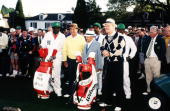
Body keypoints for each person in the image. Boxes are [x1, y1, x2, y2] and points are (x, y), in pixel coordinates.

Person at [100, 18, 126, 111]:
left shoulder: (121, 37)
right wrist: (103, 51)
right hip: (107, 63)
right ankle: (108, 101)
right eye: (105, 26)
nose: (106, 27)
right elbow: (102, 47)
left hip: (117, 63)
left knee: (118, 83)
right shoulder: (104, 38)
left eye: (108, 25)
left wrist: (109, 53)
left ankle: (119, 104)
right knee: (107, 82)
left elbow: (121, 50)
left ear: (114, 26)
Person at [40, 22, 66, 97]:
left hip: (57, 57)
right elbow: (43, 45)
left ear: (59, 29)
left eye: (58, 28)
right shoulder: (48, 34)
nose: (56, 29)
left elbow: (63, 48)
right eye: (55, 28)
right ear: (52, 28)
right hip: (48, 57)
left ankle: (58, 90)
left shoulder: (62, 36)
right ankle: (49, 88)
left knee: (56, 74)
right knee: (48, 74)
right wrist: (41, 49)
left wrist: (58, 56)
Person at [62, 23, 86, 97]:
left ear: (77, 30)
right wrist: (64, 60)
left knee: (78, 77)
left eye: (74, 29)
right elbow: (64, 50)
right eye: (71, 29)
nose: (72, 30)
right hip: (69, 60)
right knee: (69, 77)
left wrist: (82, 60)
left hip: (78, 60)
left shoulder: (81, 38)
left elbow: (84, 50)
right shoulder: (67, 38)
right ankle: (69, 92)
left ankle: (77, 92)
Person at [143, 26, 166, 93]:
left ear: (156, 32)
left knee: (156, 76)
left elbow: (163, 50)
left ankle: (157, 91)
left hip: (156, 60)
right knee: (148, 75)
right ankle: (149, 89)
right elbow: (144, 48)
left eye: (151, 32)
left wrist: (159, 59)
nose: (149, 33)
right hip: (147, 59)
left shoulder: (160, 39)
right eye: (149, 32)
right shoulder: (147, 39)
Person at [117, 23, 137, 99]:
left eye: (120, 30)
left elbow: (134, 49)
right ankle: (117, 91)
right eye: (118, 29)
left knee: (125, 77)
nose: (119, 31)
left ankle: (128, 93)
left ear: (123, 30)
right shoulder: (114, 38)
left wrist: (130, 56)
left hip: (124, 61)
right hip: (115, 61)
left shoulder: (128, 38)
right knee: (116, 77)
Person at [93, 22, 105, 95]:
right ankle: (95, 88)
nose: (95, 29)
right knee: (94, 74)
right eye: (94, 27)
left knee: (100, 74)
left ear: (99, 29)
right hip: (93, 58)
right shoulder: (92, 36)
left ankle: (100, 89)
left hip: (100, 58)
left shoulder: (103, 37)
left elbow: (104, 48)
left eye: (96, 27)